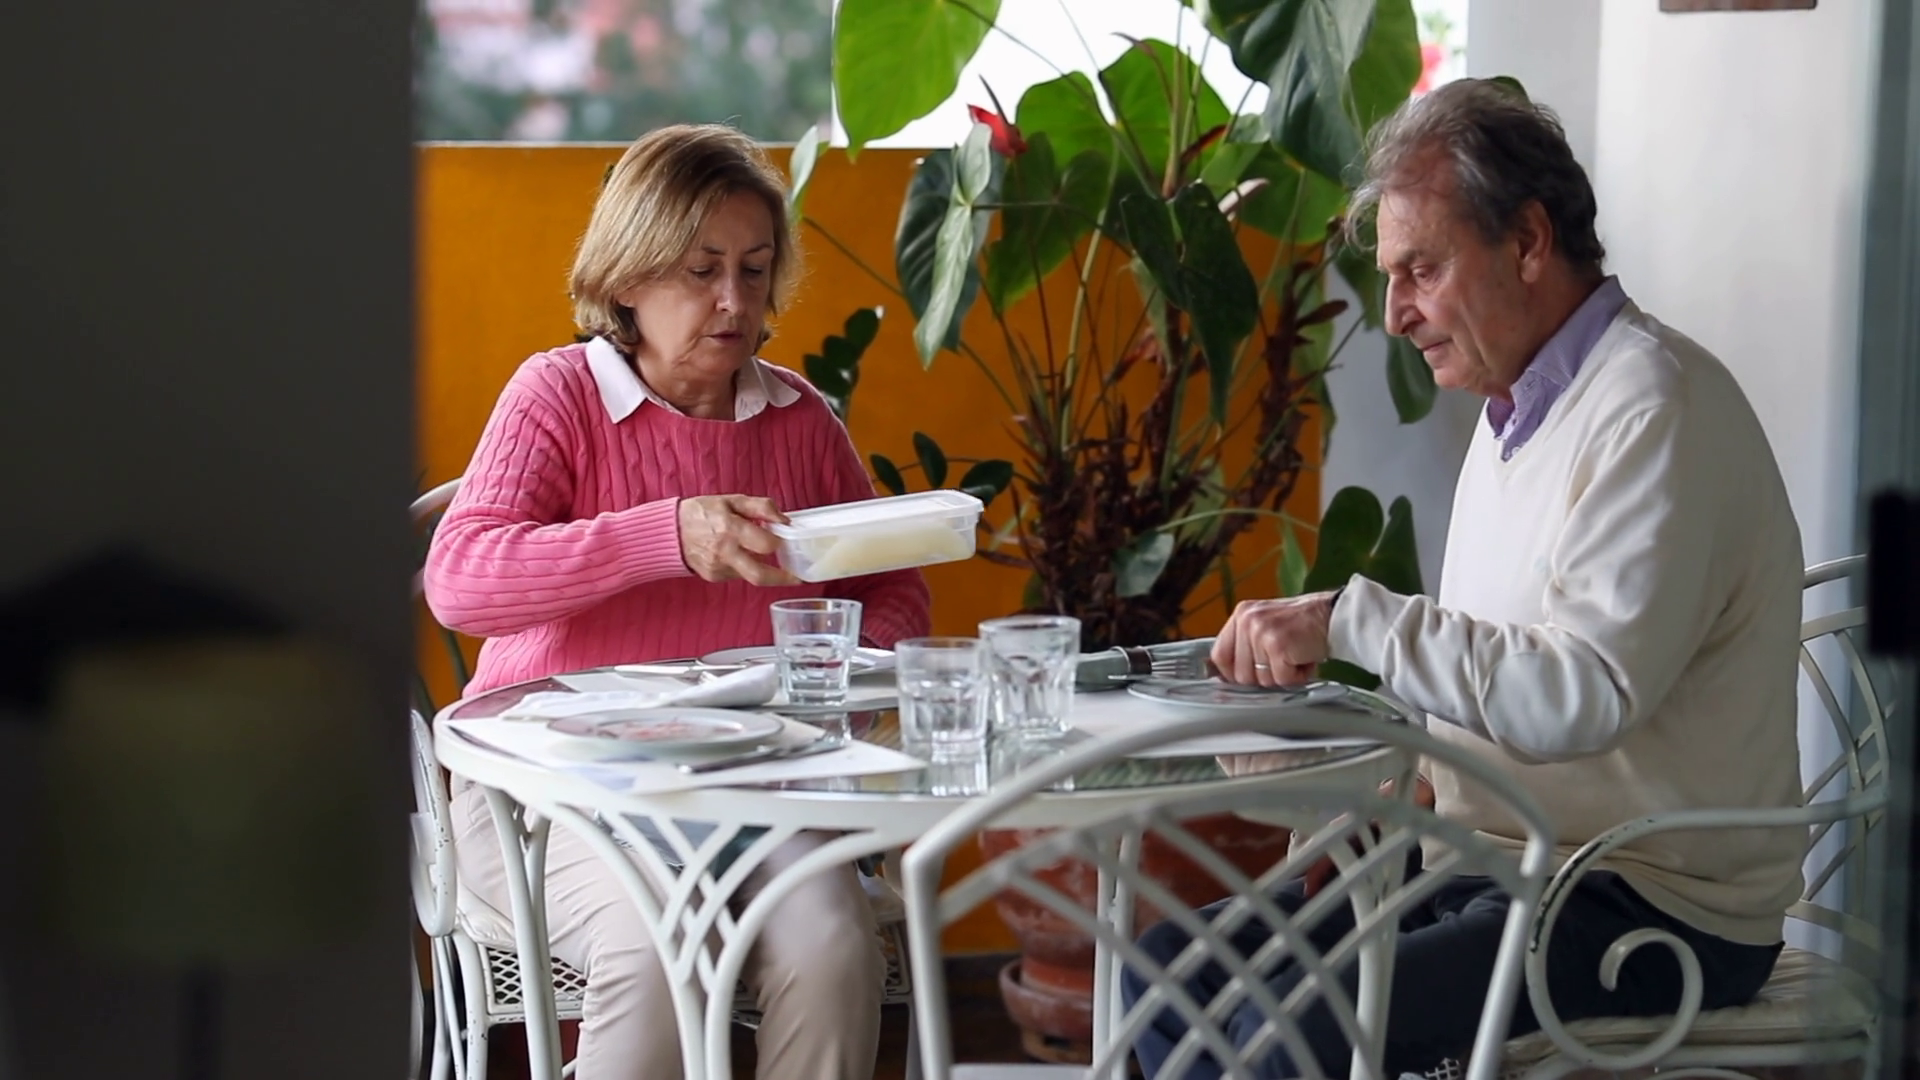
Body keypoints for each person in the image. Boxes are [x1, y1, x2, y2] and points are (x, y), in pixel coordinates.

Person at [1124, 79, 1806, 1077]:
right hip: (1497, 859)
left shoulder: (1655, 407)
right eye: (1391, 276)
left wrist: (1348, 619)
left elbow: (1582, 694)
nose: (1395, 312)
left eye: (1422, 269)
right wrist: (1385, 782)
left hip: (1648, 903)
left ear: (1527, 242)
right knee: (1172, 970)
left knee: (1295, 1027)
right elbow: (1499, 672)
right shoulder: (1519, 409)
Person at [423, 123, 931, 1080]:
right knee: (656, 944)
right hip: (550, 797)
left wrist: (848, 679)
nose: (734, 300)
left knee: (833, 950)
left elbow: (890, 582)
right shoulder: (559, 395)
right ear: (627, 279)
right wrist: (666, 535)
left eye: (754, 268)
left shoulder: (798, 418)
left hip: (751, 787)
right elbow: (461, 580)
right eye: (701, 271)